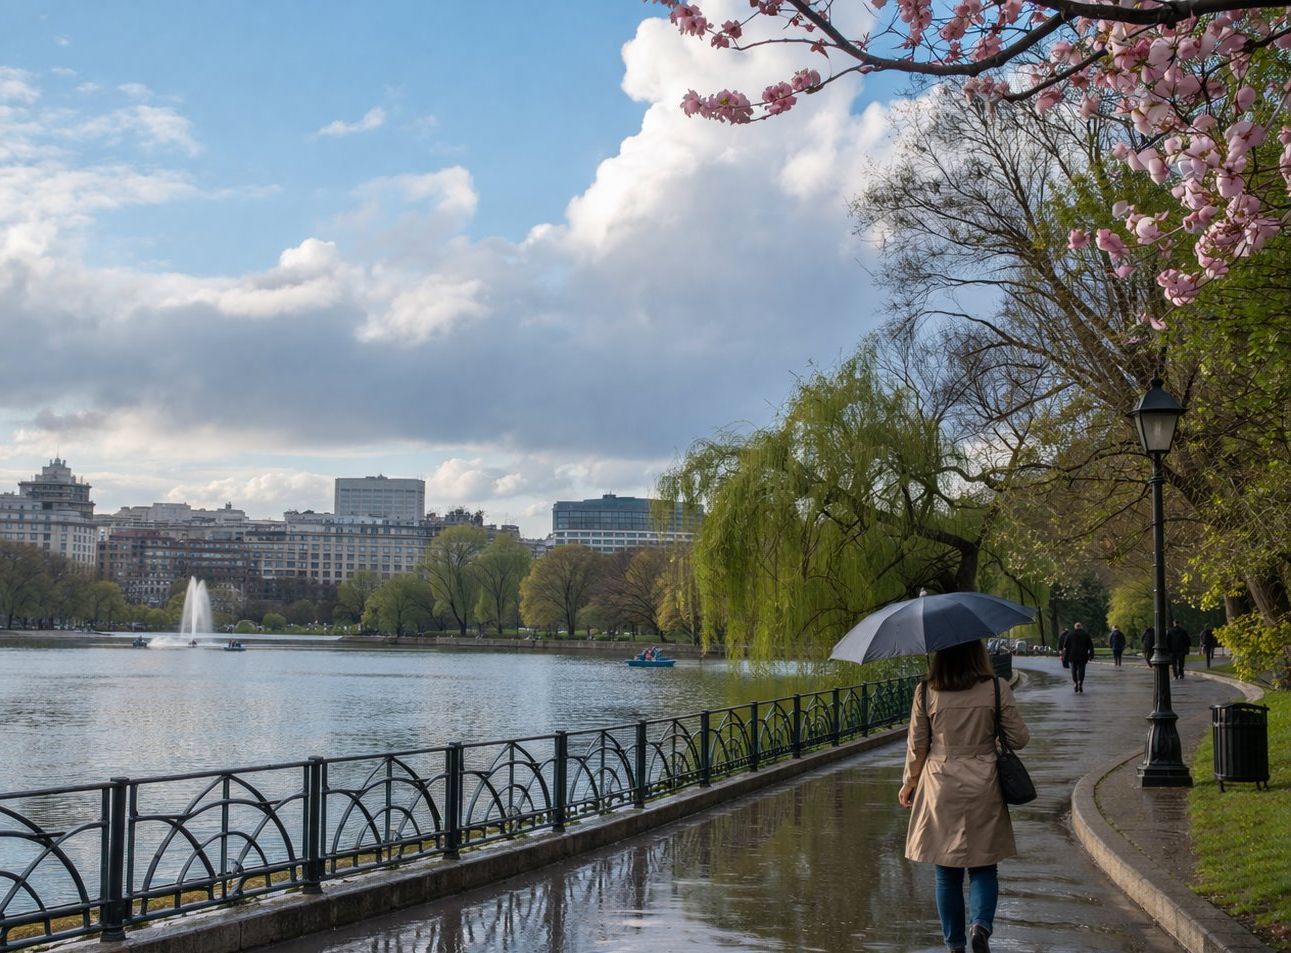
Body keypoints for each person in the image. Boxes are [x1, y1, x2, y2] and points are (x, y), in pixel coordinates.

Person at [899, 640, 1030, 953]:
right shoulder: (996, 688)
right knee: (984, 864)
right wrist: (992, 735)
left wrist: (909, 783)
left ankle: (954, 945)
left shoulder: (926, 691)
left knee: (946, 870)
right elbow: (1020, 738)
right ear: (978, 654)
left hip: (940, 782)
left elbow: (918, 746)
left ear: (941, 656)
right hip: (984, 780)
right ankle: (981, 926)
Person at [1066, 622, 1095, 693]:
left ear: (1075, 627)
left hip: (1073, 655)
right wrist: (1091, 655)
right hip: (1083, 655)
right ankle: (1080, 682)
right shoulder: (1086, 634)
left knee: (1074, 670)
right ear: (1081, 627)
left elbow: (1066, 646)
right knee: (1082, 670)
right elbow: (1090, 646)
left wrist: (1066, 656)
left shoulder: (1070, 634)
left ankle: (1075, 682)